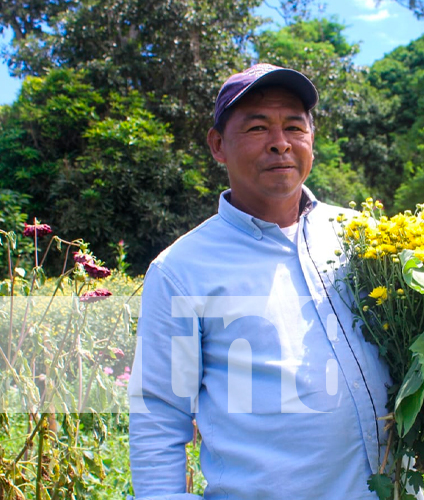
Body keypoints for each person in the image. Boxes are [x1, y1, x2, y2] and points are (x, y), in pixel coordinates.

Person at [128, 64, 392, 500]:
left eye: (294, 126)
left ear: (312, 140)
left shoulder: (364, 238)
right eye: (256, 127)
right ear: (218, 145)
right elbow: (159, 411)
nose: (280, 143)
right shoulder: (182, 270)